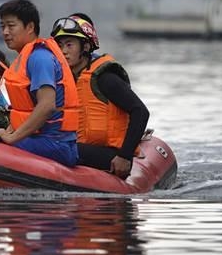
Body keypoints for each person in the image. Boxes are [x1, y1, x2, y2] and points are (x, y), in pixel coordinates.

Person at [51, 13, 150, 178]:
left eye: (69, 45)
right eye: (60, 46)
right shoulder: (64, 80)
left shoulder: (105, 78)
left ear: (85, 47)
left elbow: (140, 111)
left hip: (111, 154)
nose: (63, 51)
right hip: (81, 148)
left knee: (58, 148)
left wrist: (124, 156)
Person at [0, 0, 79, 167]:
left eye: (11, 26)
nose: (5, 32)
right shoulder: (25, 57)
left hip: (56, 144)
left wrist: (12, 138)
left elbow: (47, 106)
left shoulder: (39, 58)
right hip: (41, 140)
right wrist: (9, 131)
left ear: (30, 27)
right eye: (2, 26)